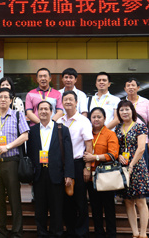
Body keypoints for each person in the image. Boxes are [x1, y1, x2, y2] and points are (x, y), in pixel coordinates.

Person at [0, 88, 30, 238]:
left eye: (6, 97)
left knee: (15, 198)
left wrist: (8, 146)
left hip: (11, 162)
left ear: (10, 100)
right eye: (0, 97)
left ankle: (16, 232)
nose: (2, 99)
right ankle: (1, 231)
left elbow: (25, 136)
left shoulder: (17, 115)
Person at [27, 101, 74, 238]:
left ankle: (56, 233)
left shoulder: (62, 129)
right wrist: (30, 174)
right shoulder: (33, 131)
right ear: (37, 112)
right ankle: (41, 233)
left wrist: (69, 174)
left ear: (51, 111)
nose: (43, 111)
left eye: (46, 109)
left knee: (56, 208)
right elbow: (30, 153)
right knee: (40, 208)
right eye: (40, 109)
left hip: (57, 174)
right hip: (39, 174)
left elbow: (68, 153)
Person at [57, 91, 93, 238]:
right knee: (66, 200)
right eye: (65, 100)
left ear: (76, 102)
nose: (68, 102)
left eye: (71, 99)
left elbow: (89, 146)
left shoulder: (83, 121)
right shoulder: (59, 121)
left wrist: (88, 167)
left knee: (80, 200)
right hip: (62, 165)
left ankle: (82, 232)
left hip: (78, 164)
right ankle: (70, 230)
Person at [115, 100, 149, 238]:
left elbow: (141, 148)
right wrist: (118, 156)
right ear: (118, 112)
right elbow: (115, 147)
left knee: (140, 201)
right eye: (121, 110)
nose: (124, 112)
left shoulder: (140, 127)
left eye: (127, 109)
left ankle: (143, 233)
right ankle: (134, 233)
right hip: (123, 168)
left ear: (132, 111)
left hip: (137, 167)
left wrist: (132, 164)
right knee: (128, 201)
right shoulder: (117, 128)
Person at [83, 107, 119, 238]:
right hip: (91, 176)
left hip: (106, 176)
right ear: (90, 119)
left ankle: (111, 234)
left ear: (104, 119)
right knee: (95, 207)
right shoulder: (87, 133)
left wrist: (95, 157)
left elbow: (114, 154)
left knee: (109, 207)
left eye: (99, 117)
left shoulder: (110, 134)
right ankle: (99, 233)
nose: (96, 119)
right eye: (93, 117)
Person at [124, 77, 149, 167]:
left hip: (143, 142)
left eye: (133, 85)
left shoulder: (146, 102)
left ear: (138, 88)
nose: (130, 87)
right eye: (128, 85)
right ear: (125, 89)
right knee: (127, 170)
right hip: (127, 142)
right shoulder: (122, 103)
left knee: (143, 169)